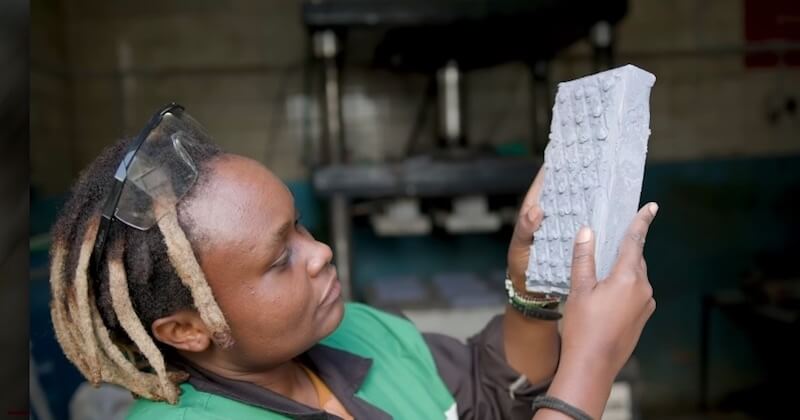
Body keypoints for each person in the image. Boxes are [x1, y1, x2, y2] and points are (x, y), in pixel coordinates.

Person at [49, 104, 658, 420]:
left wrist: (530, 290)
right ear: (186, 328)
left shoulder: (359, 334)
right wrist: (591, 362)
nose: (320, 253)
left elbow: (490, 392)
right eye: (279, 259)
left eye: (301, 226)